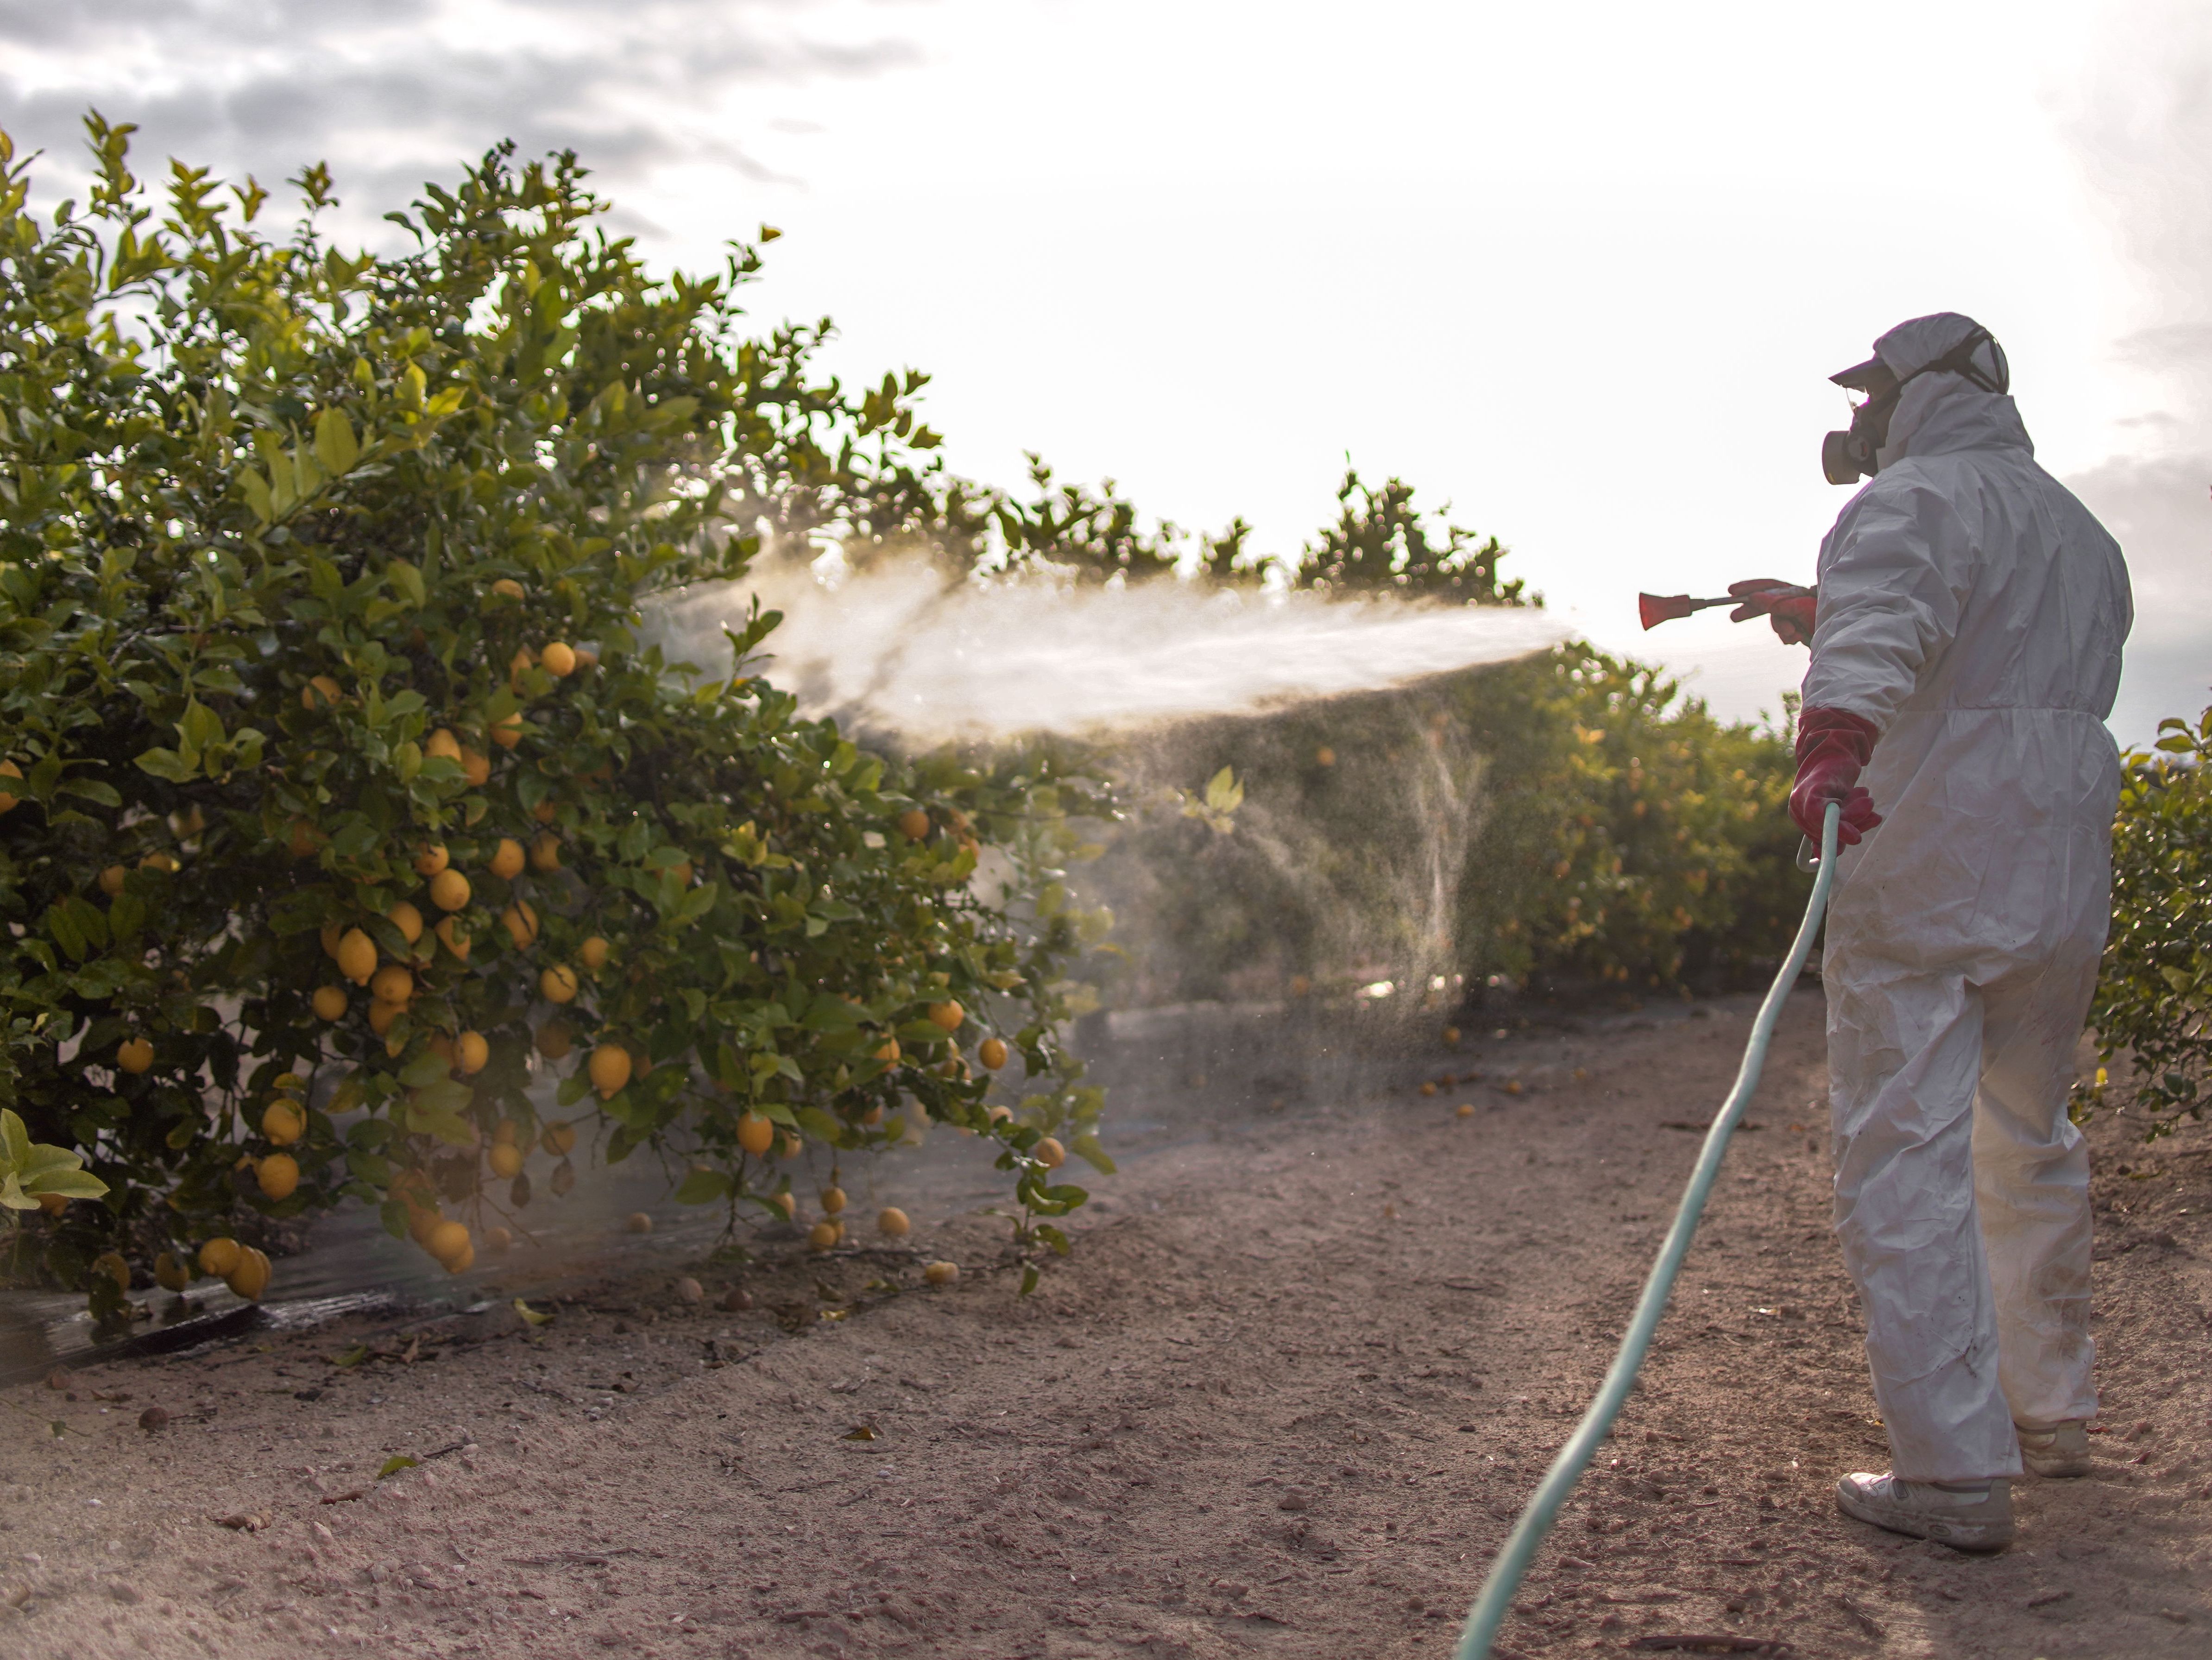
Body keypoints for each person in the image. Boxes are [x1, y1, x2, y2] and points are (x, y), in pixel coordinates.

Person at [1733, 313, 2132, 1551]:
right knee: (2025, 1138)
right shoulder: (2079, 530)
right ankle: (2047, 1415)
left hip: (1930, 869)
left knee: (1904, 1150)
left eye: (1873, 396)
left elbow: (1886, 639)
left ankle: (1955, 1473)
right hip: (2056, 876)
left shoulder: (1905, 504)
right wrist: (1824, 606)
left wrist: (1828, 751)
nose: (1856, 420)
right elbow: (1984, 648)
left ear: (1930, 395)